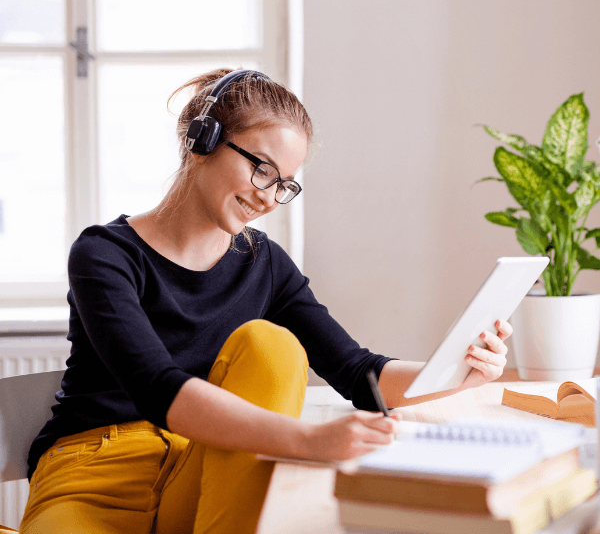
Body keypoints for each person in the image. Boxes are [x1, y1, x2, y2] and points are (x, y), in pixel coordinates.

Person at [18, 69, 512, 534]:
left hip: (202, 468)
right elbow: (155, 386)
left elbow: (359, 372)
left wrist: (458, 371)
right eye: (261, 169)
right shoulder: (105, 253)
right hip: (94, 472)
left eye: (284, 184)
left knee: (270, 345)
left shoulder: (266, 265)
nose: (269, 197)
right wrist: (309, 442)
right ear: (201, 140)